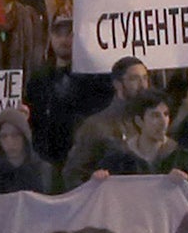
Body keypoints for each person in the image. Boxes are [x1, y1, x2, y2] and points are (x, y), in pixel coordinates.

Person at [64, 56, 151, 187]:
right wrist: (94, 183)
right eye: (134, 79)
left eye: (145, 78)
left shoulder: (153, 121)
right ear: (118, 84)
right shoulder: (97, 125)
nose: (143, 85)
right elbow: (73, 174)